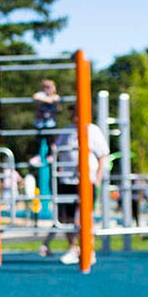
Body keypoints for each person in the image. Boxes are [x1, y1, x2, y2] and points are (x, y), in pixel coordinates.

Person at [40, 107, 110, 265]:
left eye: (76, 113)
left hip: (85, 180)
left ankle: (88, 249)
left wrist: (97, 178)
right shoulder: (67, 131)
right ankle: (73, 248)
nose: (73, 116)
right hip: (66, 180)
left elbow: (103, 155)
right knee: (67, 218)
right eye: (72, 113)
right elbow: (57, 151)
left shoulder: (93, 131)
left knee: (83, 218)